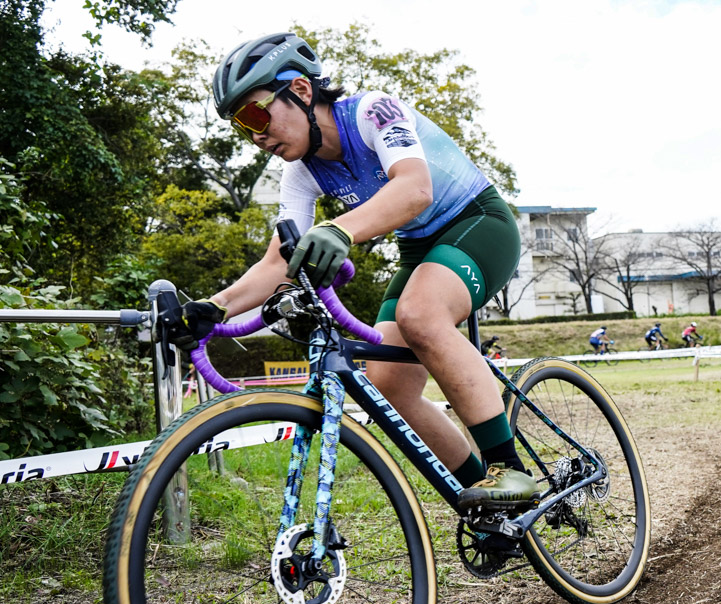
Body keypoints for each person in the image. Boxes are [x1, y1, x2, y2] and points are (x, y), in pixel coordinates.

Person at [172, 32, 534, 511]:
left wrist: (339, 230)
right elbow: (278, 260)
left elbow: (415, 189)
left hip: (478, 222)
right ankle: (489, 498)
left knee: (420, 315)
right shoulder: (301, 173)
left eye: (256, 114)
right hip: (420, 248)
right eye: (242, 126)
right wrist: (213, 308)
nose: (255, 135)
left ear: (300, 90)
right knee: (387, 389)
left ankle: (510, 470)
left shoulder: (372, 112)